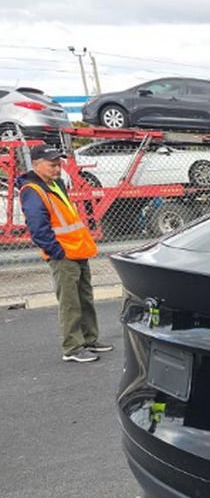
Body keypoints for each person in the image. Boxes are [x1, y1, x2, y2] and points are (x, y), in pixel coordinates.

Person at [16, 145, 113, 363]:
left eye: (59, 164)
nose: (57, 169)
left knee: (84, 298)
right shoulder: (33, 190)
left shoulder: (54, 184)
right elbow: (38, 227)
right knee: (70, 302)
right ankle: (72, 347)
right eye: (52, 165)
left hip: (77, 250)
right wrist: (56, 252)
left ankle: (89, 339)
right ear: (36, 164)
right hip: (64, 255)